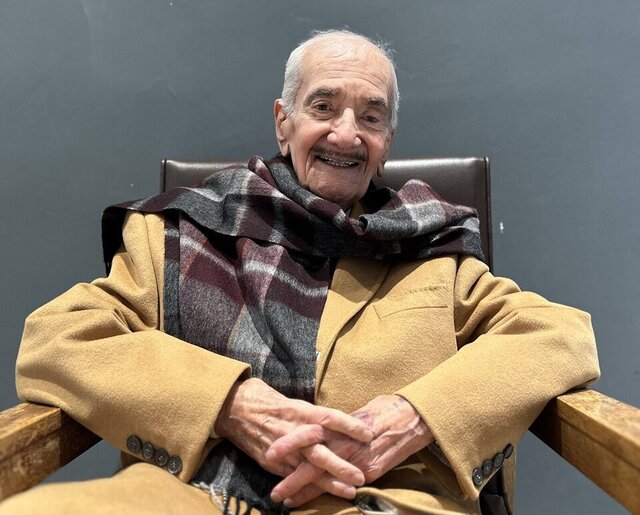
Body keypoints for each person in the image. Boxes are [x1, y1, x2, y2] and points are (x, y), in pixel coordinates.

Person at [3, 30, 599, 515]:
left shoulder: (432, 247)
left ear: (387, 142)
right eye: (323, 107)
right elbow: (57, 339)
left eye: (371, 117)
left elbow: (558, 336)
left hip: (380, 500)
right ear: (282, 121)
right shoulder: (180, 232)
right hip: (193, 498)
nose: (347, 133)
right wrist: (229, 403)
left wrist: (415, 416)